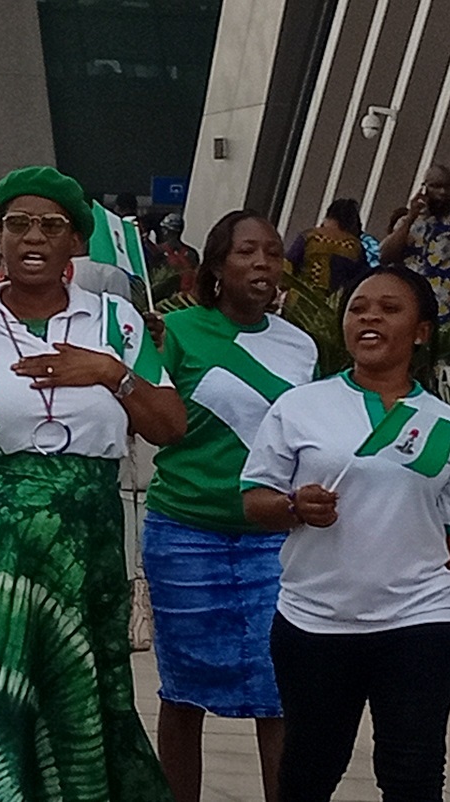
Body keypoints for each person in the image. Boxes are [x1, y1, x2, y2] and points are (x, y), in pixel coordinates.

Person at [0, 165, 185, 802]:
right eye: (17, 223)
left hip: (86, 544)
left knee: (80, 703)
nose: (33, 237)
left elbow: (170, 426)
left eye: (52, 226)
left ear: (76, 241)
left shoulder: (118, 324)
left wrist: (111, 374)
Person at [240, 266, 450, 802]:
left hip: (419, 622)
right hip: (315, 624)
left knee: (412, 776)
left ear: (420, 332)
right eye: (358, 307)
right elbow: (255, 502)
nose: (369, 317)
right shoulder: (300, 407)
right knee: (307, 774)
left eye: (389, 309)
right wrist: (294, 506)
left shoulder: (449, 427)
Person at [143, 211, 319, 802]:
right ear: (217, 266)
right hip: (186, 535)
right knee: (183, 689)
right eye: (247, 252)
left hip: (273, 537)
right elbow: (154, 425)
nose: (262, 263)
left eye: (271, 252)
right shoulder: (177, 333)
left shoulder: (300, 346)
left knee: (279, 692)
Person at [380, 164, 450, 325]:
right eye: (436, 186)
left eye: (448, 187)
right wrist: (410, 217)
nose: (443, 192)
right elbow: (386, 255)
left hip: (444, 310)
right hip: (406, 303)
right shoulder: (408, 222)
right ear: (424, 188)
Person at [287, 200, 369, 294]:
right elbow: (361, 279)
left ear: (328, 216)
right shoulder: (355, 247)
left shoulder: (310, 237)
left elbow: (288, 265)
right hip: (334, 305)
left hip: (301, 299)